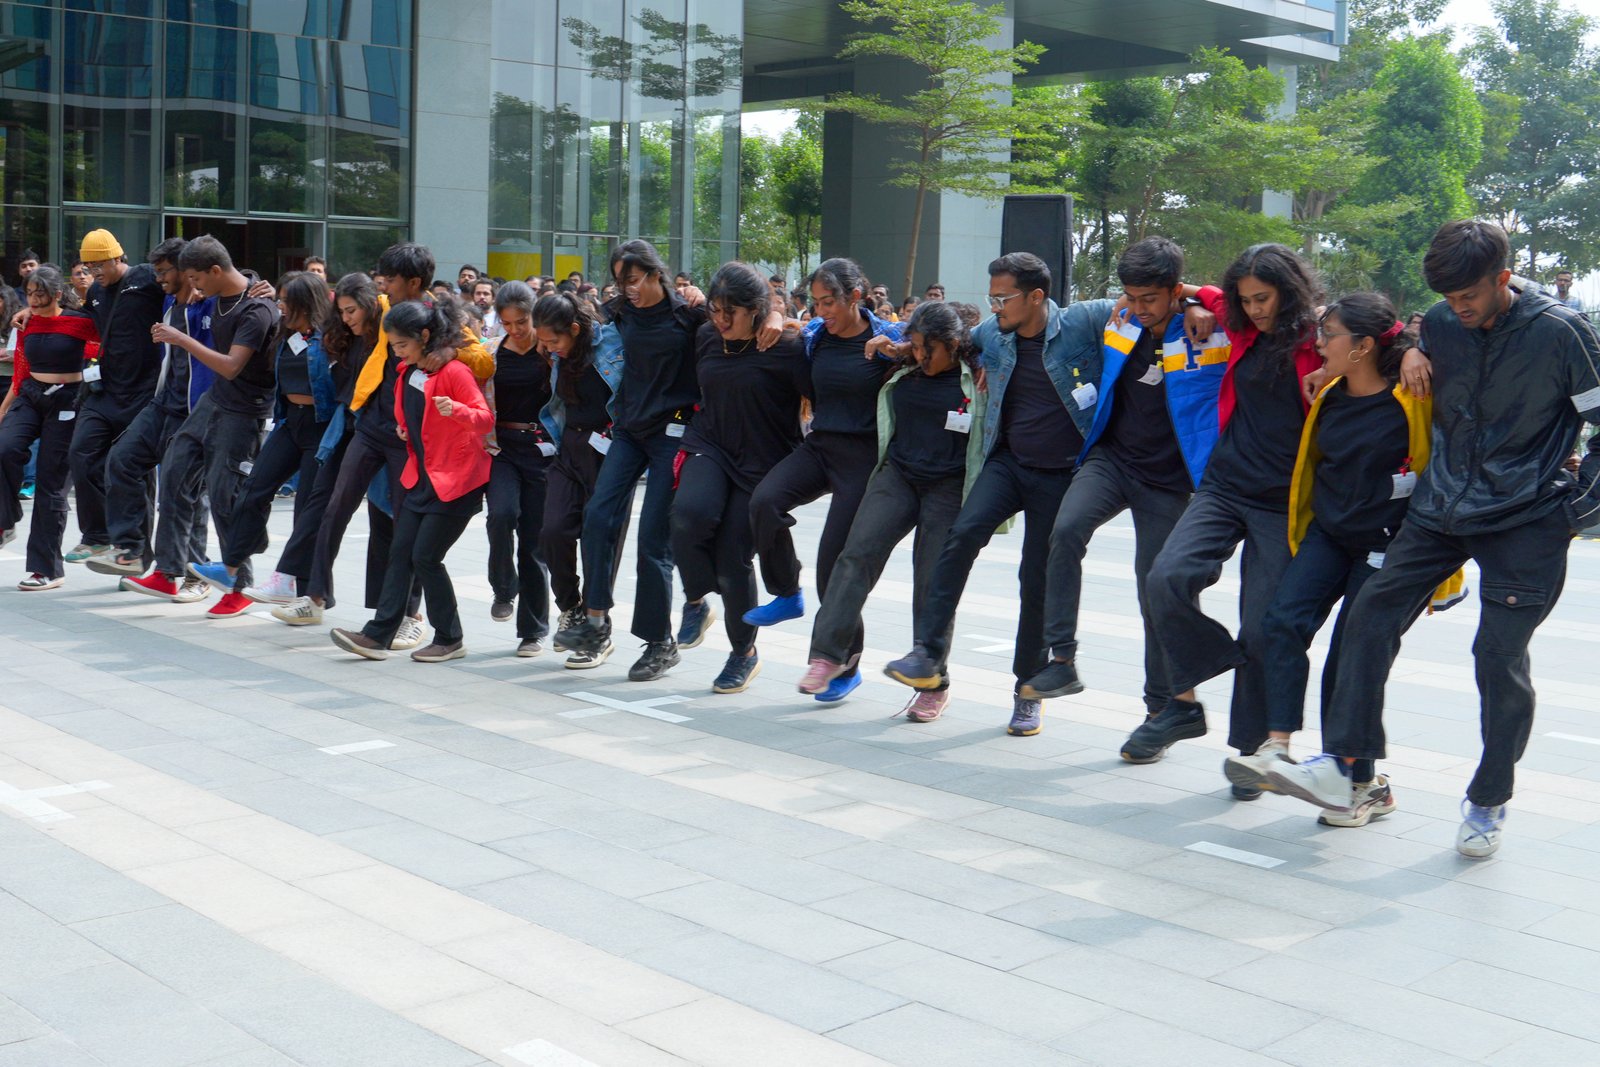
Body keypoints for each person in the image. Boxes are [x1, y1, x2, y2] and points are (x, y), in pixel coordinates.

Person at [1271, 220, 1600, 857]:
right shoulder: (1444, 321)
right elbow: (1400, 329)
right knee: (1368, 617)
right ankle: (1350, 766)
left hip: (1527, 518)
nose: (1459, 310)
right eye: (1446, 301)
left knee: (1496, 661)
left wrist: (1575, 513)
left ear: (1504, 280)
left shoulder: (1564, 334)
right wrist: (1419, 340)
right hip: (1439, 509)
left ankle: (1488, 798)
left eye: (1469, 297)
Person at [1222, 291, 1463, 825]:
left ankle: (1359, 784)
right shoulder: (1328, 393)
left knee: (1353, 652)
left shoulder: (1415, 395)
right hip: (1329, 535)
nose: (1319, 343)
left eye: (1329, 335)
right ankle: (1277, 747)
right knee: (1280, 623)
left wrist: (1415, 349)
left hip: (1390, 546)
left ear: (1364, 347)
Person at [884, 253, 1111, 735]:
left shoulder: (1082, 320)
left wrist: (1197, 300)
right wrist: (902, 347)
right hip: (1008, 462)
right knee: (961, 534)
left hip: (1062, 473)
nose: (995, 306)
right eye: (992, 297)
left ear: (1036, 297)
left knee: (1036, 577)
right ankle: (927, 652)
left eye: (1003, 297)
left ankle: (1028, 689)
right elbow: (958, 338)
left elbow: (1141, 302)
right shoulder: (994, 333)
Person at [1020, 238, 1226, 725]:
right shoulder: (1121, 317)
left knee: (1154, 588)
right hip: (1112, 460)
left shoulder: (1209, 329)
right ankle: (1062, 660)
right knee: (1065, 530)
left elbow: (1255, 302)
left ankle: (1162, 707)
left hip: (1170, 479)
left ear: (1175, 290)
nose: (1138, 308)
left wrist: (1199, 298)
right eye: (1130, 296)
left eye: (1149, 299)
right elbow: (1041, 322)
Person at [553, 240, 780, 681]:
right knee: (598, 516)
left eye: (633, 280)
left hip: (672, 436)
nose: (627, 289)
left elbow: (745, 320)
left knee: (653, 539)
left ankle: (659, 643)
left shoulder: (690, 316)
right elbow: (580, 326)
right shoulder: (619, 312)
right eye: (621, 281)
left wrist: (773, 313)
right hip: (629, 431)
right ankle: (596, 622)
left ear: (657, 274)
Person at [272, 243, 491, 640]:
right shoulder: (385, 304)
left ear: (413, 282)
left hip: (409, 441)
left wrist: (444, 348)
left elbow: (483, 361)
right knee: (335, 504)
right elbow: (338, 303)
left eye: (389, 279)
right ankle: (315, 596)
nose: (382, 285)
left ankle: (411, 616)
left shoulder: (440, 318)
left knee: (402, 523)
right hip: (370, 423)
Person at [799, 301, 987, 721]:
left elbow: (996, 332)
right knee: (856, 555)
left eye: (927, 349)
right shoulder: (905, 365)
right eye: (915, 347)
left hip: (949, 486)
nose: (919, 356)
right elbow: (899, 330)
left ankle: (933, 681)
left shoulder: (977, 375)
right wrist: (905, 345)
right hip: (899, 475)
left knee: (933, 581)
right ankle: (829, 655)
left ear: (953, 345)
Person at [746, 257, 902, 702]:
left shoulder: (887, 337)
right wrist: (778, 314)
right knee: (764, 502)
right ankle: (785, 591)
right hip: (820, 448)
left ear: (855, 296)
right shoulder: (815, 334)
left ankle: (845, 663)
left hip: (863, 459)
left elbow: (937, 344)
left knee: (834, 568)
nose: (821, 311)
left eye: (829, 302)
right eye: (814, 302)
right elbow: (782, 321)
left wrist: (904, 351)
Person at [121, 236, 279, 618]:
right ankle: (168, 570)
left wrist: (181, 339)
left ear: (214, 271)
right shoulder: (213, 293)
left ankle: (239, 585)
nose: (193, 287)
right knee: (174, 469)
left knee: (225, 494)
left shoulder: (257, 309)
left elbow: (230, 365)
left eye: (195, 278)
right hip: (216, 402)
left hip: (245, 410)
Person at [670, 262, 809, 693]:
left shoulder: (785, 346)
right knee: (687, 516)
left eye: (733, 312)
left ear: (757, 309)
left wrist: (779, 317)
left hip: (762, 460)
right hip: (710, 442)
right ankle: (696, 601)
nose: (722, 320)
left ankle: (742, 654)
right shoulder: (707, 334)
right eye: (716, 308)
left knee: (733, 558)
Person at [330, 299, 493, 662]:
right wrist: (406, 430)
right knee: (401, 553)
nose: (397, 351)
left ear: (424, 336)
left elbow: (484, 419)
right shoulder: (408, 372)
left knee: (426, 557)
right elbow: (412, 416)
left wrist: (459, 410)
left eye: (402, 345)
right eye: (393, 345)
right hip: (422, 477)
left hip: (456, 481)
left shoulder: (454, 372)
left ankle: (450, 638)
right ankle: (377, 635)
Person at [186, 273, 344, 600]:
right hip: (290, 423)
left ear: (305, 303)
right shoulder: (284, 333)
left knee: (308, 512)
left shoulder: (333, 340)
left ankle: (304, 590)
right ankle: (230, 568)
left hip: (322, 428)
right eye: (281, 299)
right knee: (252, 490)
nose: (281, 306)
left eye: (287, 301)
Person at [86, 239, 216, 602]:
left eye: (164, 272)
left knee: (185, 490)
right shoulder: (167, 300)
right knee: (122, 460)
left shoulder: (213, 303)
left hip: (195, 410)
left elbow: (239, 280)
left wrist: (256, 280)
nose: (158, 278)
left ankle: (193, 572)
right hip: (162, 403)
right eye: (156, 272)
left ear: (188, 270)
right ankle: (133, 551)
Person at [244, 272, 378, 606]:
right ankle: (311, 594)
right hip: (340, 428)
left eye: (351, 311)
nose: (346, 319)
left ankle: (404, 614)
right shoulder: (341, 336)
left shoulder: (377, 336)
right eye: (342, 311)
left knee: (377, 522)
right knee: (320, 512)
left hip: (368, 432)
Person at [530, 291, 629, 668]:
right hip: (570, 446)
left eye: (554, 341)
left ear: (575, 329)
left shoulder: (614, 342)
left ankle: (596, 630)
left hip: (612, 454)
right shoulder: (556, 351)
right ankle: (570, 607)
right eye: (544, 342)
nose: (549, 349)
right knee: (552, 530)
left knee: (599, 542)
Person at [66, 229, 165, 563]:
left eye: (99, 265)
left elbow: (189, 280)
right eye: (89, 267)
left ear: (116, 257)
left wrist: (251, 280)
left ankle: (138, 553)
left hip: (143, 391)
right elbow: (83, 322)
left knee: (133, 468)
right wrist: (33, 318)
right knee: (81, 453)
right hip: (104, 390)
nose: (95, 273)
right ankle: (96, 535)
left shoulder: (147, 278)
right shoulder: (95, 292)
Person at [0, 266, 99, 588]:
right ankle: (6, 520)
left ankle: (46, 570)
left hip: (68, 401)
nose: (33, 300)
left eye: (40, 295)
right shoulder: (27, 321)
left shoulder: (80, 321)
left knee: (51, 483)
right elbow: (20, 371)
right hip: (30, 394)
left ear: (56, 294)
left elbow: (110, 344)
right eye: (29, 294)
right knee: (5, 447)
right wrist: (2, 411)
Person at [484, 281, 557, 655]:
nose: (514, 329)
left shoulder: (551, 352)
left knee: (533, 541)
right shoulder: (490, 353)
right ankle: (502, 588)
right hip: (501, 448)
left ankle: (533, 630)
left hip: (542, 450)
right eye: (506, 322)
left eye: (521, 321)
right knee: (501, 514)